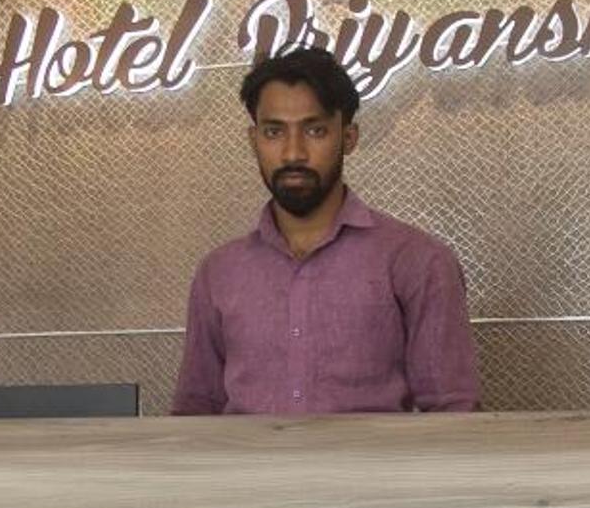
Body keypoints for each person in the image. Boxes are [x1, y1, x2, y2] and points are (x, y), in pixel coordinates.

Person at [170, 45, 479, 416]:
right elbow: (195, 412)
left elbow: (454, 412)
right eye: (274, 132)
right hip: (245, 457)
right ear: (254, 140)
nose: (293, 153)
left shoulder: (417, 261)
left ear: (348, 137)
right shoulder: (219, 273)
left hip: (372, 457)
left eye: (315, 130)